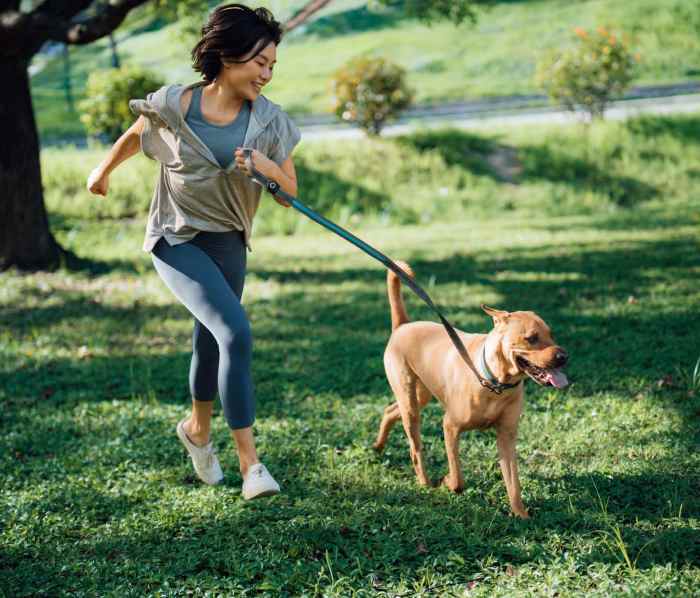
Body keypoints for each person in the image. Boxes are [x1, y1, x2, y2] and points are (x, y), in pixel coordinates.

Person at [86, 4, 301, 499]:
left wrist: (264, 164)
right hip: (175, 237)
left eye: (272, 66)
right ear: (227, 56)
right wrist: (102, 171)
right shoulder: (176, 104)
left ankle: (198, 431)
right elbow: (139, 133)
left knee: (211, 339)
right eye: (259, 62)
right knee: (235, 331)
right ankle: (252, 466)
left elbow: (289, 192)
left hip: (229, 240)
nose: (266, 74)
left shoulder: (269, 123)